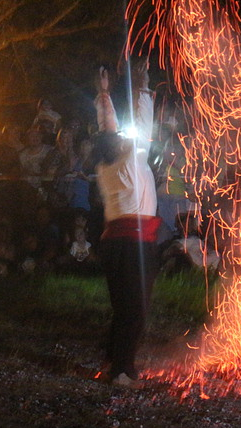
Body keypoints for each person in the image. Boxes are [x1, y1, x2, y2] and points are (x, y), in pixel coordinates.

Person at [94, 60, 160, 388]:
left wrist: (104, 95)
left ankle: (112, 362)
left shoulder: (105, 166)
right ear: (120, 146)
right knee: (136, 310)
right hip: (134, 245)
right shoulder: (132, 159)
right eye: (121, 137)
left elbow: (108, 129)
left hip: (114, 243)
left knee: (123, 306)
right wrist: (143, 88)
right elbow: (143, 125)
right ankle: (122, 372)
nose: (124, 136)